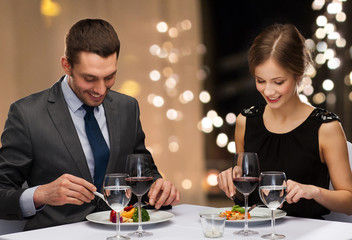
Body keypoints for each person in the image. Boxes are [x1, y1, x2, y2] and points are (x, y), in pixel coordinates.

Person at [0, 18, 180, 230]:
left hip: (123, 232)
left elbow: (143, 173)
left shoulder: (127, 107)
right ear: (66, 65)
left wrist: (159, 189)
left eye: (110, 76)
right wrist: (41, 194)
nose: (101, 90)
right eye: (90, 78)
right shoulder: (27, 114)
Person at [217, 24, 352, 219]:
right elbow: (244, 198)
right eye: (260, 81)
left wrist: (314, 191)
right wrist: (230, 179)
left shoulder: (326, 127)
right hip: (255, 233)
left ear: (299, 75)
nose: (268, 91)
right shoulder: (245, 121)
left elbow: (349, 203)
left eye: (278, 82)